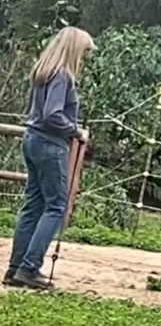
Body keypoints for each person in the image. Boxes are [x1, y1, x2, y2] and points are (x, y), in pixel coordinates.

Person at [2, 26, 95, 290]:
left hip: (32, 139)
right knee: (55, 206)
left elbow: (39, 113)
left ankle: (15, 267)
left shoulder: (42, 72)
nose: (84, 57)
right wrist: (76, 131)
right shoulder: (63, 76)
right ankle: (30, 267)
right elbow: (52, 114)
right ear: (75, 49)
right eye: (84, 52)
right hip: (50, 145)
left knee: (33, 205)